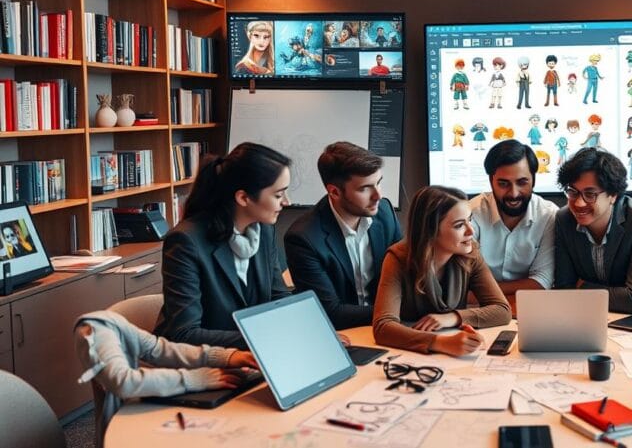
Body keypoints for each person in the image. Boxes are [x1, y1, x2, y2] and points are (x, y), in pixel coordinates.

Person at [155, 143, 292, 349]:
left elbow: (278, 299)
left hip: (249, 358)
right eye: (278, 195)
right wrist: (262, 339)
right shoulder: (185, 241)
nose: (287, 202)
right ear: (243, 198)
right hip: (201, 364)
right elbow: (184, 333)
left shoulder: (264, 231)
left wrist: (312, 330)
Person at [75, 310, 258, 447]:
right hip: (125, 435)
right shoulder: (96, 329)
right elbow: (123, 382)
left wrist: (224, 356)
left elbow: (160, 349)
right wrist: (195, 379)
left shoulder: (115, 323)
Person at [373, 186, 512, 356]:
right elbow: (383, 327)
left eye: (470, 220)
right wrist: (440, 343)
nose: (471, 231)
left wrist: (453, 317)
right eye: (459, 225)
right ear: (430, 231)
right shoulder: (397, 258)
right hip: (407, 354)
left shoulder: (470, 253)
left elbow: (502, 311)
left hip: (453, 352)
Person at [285, 142, 403, 330]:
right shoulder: (303, 238)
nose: (378, 196)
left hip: (389, 325)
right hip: (342, 335)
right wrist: (399, 310)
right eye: (365, 188)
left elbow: (404, 274)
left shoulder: (385, 212)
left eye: (378, 183)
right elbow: (331, 312)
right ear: (334, 192)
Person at [553, 147, 632, 313]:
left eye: (590, 194)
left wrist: (583, 286)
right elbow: (564, 289)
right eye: (572, 192)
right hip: (585, 314)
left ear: (613, 195)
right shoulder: (563, 219)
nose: (579, 203)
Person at [469, 141, 558, 312]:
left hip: (529, 312)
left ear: (534, 180)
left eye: (522, 182)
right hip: (477, 312)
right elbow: (462, 287)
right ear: (491, 181)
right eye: (503, 183)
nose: (514, 193)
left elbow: (541, 283)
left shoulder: (549, 215)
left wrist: (484, 292)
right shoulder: (470, 214)